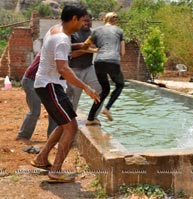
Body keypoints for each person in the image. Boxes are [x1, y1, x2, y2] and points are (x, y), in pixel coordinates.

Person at [31, 5, 100, 183]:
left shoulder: (55, 30)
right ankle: (56, 170)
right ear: (74, 19)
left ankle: (41, 158)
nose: (84, 23)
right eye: (83, 19)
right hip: (50, 85)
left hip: (48, 84)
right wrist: (86, 87)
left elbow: (66, 49)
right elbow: (64, 68)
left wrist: (82, 47)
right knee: (72, 127)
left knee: (64, 124)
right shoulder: (62, 39)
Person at [86, 12, 125, 123]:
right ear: (116, 21)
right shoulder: (119, 31)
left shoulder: (96, 31)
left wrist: (95, 50)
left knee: (105, 90)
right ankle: (107, 108)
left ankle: (90, 118)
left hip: (99, 62)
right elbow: (122, 52)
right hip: (113, 62)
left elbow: (85, 45)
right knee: (120, 84)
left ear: (105, 19)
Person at [67, 13, 102, 125]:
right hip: (74, 70)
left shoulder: (94, 34)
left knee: (101, 90)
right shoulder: (73, 34)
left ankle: (92, 117)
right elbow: (70, 54)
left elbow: (98, 47)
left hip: (89, 68)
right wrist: (84, 50)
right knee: (74, 99)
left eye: (89, 20)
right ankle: (69, 124)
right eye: (85, 21)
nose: (87, 23)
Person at [16, 52, 57, 141]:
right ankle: (23, 136)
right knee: (35, 111)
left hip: (43, 83)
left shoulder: (54, 46)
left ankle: (52, 137)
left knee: (53, 109)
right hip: (31, 81)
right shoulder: (51, 48)